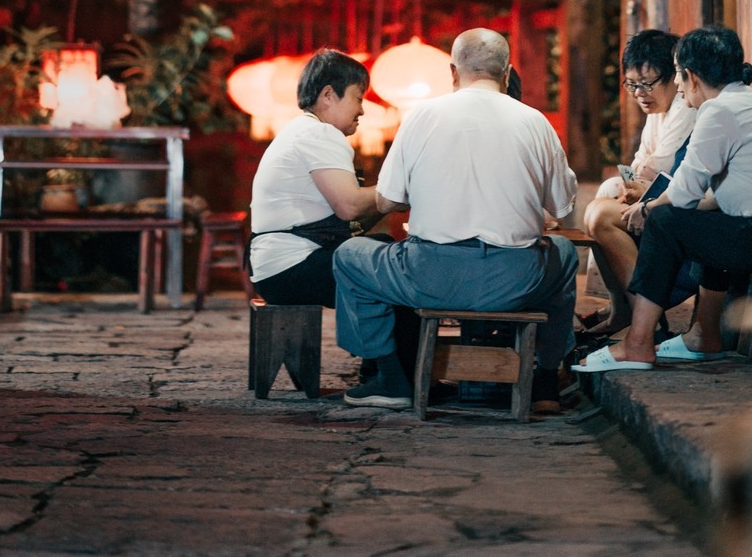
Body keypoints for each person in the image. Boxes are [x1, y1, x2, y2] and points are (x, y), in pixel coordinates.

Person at [332, 28, 580, 411]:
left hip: (430, 276)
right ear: (507, 71)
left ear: (452, 71)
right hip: (515, 281)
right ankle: (546, 381)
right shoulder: (536, 122)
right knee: (563, 252)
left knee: (349, 255)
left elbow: (388, 199)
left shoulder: (422, 117)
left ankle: (390, 378)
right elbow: (564, 210)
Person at [573, 26, 752, 373]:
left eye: (675, 74)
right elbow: (709, 198)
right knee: (698, 225)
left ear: (690, 75)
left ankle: (639, 343)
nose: (675, 84)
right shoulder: (744, 102)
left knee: (665, 221)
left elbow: (683, 195)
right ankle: (703, 336)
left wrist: (646, 209)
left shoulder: (719, 111)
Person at [583, 30, 696, 332]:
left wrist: (634, 185)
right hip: (659, 192)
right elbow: (638, 163)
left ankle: (646, 320)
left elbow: (656, 167)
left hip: (685, 202)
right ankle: (622, 307)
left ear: (675, 76)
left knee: (604, 212)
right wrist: (631, 185)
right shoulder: (657, 111)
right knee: (606, 195)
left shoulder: (685, 106)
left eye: (648, 84)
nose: (640, 93)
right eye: (633, 85)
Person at [248, 49, 380, 307]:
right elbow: (349, 206)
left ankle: (384, 346)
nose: (362, 110)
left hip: (275, 268)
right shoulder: (319, 134)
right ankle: (405, 348)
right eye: (358, 99)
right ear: (329, 95)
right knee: (397, 268)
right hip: (292, 268)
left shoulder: (301, 130)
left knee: (381, 251)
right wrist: (401, 191)